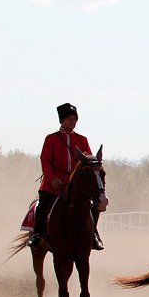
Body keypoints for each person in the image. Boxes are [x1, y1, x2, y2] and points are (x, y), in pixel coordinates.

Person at [29, 103, 101, 250]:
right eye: (69, 119)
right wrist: (52, 179)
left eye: (75, 119)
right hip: (53, 184)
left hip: (75, 184)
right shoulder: (51, 139)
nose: (72, 122)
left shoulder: (82, 139)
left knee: (94, 205)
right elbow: (45, 160)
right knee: (43, 205)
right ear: (62, 120)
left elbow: (88, 162)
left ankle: (93, 235)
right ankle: (37, 235)